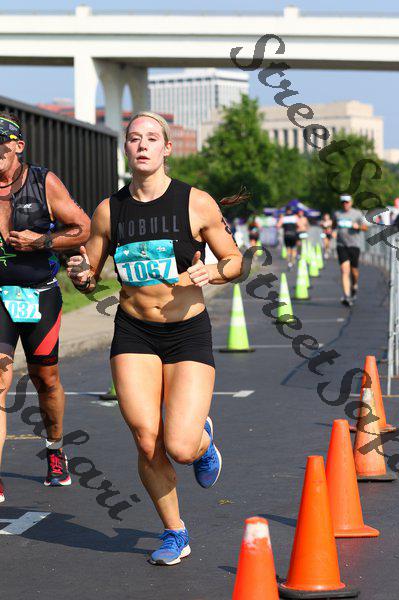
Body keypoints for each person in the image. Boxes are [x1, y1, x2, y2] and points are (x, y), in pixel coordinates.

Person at [66, 111, 242, 566]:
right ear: (126, 149)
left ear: (167, 148)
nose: (142, 145)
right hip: (134, 331)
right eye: (133, 138)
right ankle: (174, 531)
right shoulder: (109, 210)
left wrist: (214, 272)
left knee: (179, 446)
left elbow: (235, 260)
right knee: (147, 440)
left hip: (186, 333)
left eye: (151, 138)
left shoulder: (195, 202)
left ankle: (202, 441)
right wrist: (81, 274)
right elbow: (90, 277)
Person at [0, 111, 91, 503]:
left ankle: (55, 449)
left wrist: (39, 242)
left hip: (39, 293)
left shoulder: (43, 181)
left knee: (46, 379)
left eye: (1, 145)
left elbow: (83, 228)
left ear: (18, 146)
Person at [332, 194, 367, 307]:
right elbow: (333, 225)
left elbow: (365, 227)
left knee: (354, 271)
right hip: (341, 245)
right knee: (344, 270)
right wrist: (332, 230)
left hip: (354, 245)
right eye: (343, 202)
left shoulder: (357, 214)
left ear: (351, 202)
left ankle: (354, 285)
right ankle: (347, 296)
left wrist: (358, 227)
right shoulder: (337, 214)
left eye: (347, 202)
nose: (345, 204)